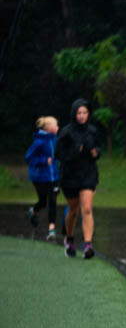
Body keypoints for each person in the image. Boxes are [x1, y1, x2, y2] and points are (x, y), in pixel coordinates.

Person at [55, 98, 104, 259]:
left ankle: (88, 245)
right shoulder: (66, 132)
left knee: (87, 208)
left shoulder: (92, 131)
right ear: (74, 114)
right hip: (70, 175)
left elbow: (98, 148)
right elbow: (59, 154)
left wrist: (96, 152)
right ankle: (69, 239)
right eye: (79, 113)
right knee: (73, 210)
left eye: (85, 113)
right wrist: (76, 150)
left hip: (88, 173)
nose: (82, 116)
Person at [24, 116, 60, 241]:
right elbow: (28, 158)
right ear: (48, 127)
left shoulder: (56, 140)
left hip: (54, 177)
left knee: (53, 200)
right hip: (39, 178)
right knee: (43, 202)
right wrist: (43, 161)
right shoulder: (38, 142)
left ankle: (51, 229)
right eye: (55, 125)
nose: (57, 127)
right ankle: (34, 211)